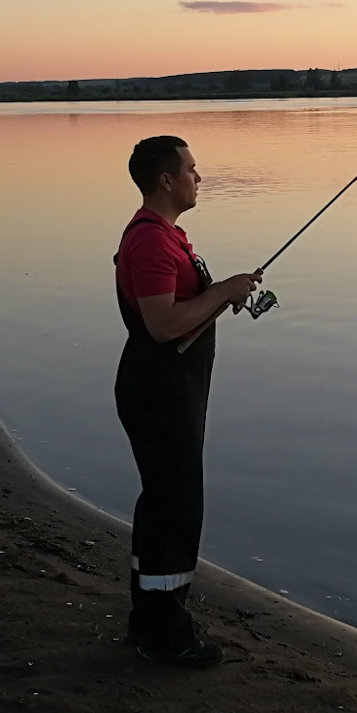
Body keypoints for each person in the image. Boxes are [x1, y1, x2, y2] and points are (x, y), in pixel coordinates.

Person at [113, 135, 261, 666]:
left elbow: (184, 312)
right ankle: (165, 636)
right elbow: (161, 326)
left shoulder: (169, 237)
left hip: (173, 388)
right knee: (174, 507)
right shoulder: (150, 242)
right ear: (166, 181)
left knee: (163, 501)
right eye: (193, 170)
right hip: (158, 391)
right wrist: (220, 291)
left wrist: (226, 293)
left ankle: (148, 621)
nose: (200, 177)